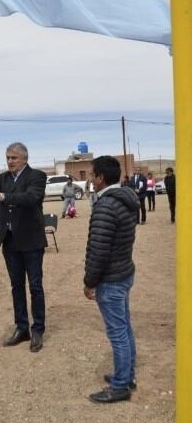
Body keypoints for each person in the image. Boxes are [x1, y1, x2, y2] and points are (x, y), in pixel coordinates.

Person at [84, 156, 139, 404]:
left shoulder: (106, 205)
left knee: (118, 332)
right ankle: (126, 376)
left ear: (100, 178)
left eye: (92, 175)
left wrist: (89, 282)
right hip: (124, 272)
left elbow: (99, 250)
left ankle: (120, 387)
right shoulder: (126, 199)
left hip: (112, 279)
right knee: (124, 327)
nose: (90, 180)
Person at [0, 142, 47, 353]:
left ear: (25, 159)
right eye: (8, 157)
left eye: (14, 157)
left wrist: (2, 197)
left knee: (35, 286)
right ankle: (22, 328)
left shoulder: (37, 176)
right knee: (16, 286)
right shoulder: (3, 178)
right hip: (10, 241)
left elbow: (31, 198)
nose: (10, 161)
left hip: (31, 240)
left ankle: (37, 329)